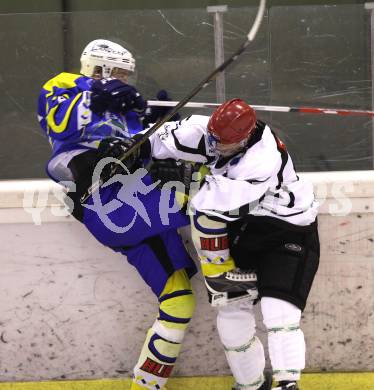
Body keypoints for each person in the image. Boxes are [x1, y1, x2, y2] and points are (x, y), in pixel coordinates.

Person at [37, 38, 198, 390]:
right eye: (121, 74)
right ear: (102, 68)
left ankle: (145, 383)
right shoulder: (65, 84)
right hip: (107, 202)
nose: (127, 81)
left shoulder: (125, 107)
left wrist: (159, 121)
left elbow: (139, 142)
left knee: (179, 301)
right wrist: (97, 96)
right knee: (203, 202)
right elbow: (57, 121)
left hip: (137, 198)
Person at [145, 99, 320, 390]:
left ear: (245, 138)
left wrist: (180, 177)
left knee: (280, 313)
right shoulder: (208, 130)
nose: (214, 146)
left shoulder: (262, 159)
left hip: (287, 230)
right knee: (231, 310)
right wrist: (130, 150)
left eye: (223, 143)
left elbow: (213, 202)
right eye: (212, 138)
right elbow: (157, 140)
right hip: (244, 230)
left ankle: (287, 384)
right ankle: (249, 385)